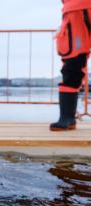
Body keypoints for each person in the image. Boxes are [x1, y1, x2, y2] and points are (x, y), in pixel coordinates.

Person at [50, 0, 91, 131]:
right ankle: (67, 118)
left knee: (73, 63)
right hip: (76, 10)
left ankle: (67, 118)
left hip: (77, 10)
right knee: (73, 63)